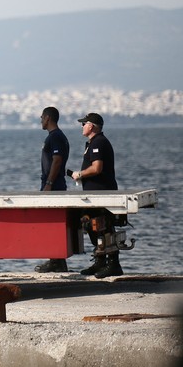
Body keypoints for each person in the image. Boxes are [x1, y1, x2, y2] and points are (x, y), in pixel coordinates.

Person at [70, 112, 121, 278]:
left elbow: (97, 168)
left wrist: (80, 174)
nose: (82, 127)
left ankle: (113, 264)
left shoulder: (98, 142)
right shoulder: (93, 142)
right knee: (94, 226)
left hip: (102, 193)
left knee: (104, 227)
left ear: (91, 126)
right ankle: (100, 261)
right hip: (95, 193)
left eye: (83, 124)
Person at [34, 107, 70, 273]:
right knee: (53, 223)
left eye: (42, 117)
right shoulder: (56, 136)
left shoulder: (55, 137)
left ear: (48, 118)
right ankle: (57, 260)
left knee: (51, 223)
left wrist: (48, 183)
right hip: (53, 184)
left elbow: (57, 161)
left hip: (54, 185)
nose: (41, 120)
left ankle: (56, 260)